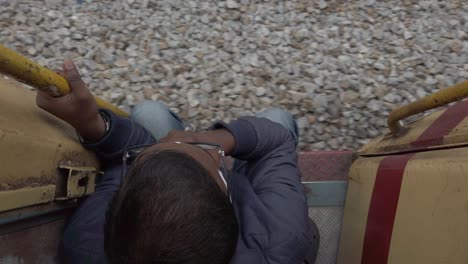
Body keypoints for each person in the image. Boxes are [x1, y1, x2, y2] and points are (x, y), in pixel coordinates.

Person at [37, 60, 318, 264]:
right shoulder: (279, 240)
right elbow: (277, 141)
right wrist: (211, 139)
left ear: (117, 207)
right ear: (229, 203)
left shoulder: (85, 244)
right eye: (211, 158)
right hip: (269, 221)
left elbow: (122, 161)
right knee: (276, 119)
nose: (176, 137)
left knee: (149, 113)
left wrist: (92, 124)